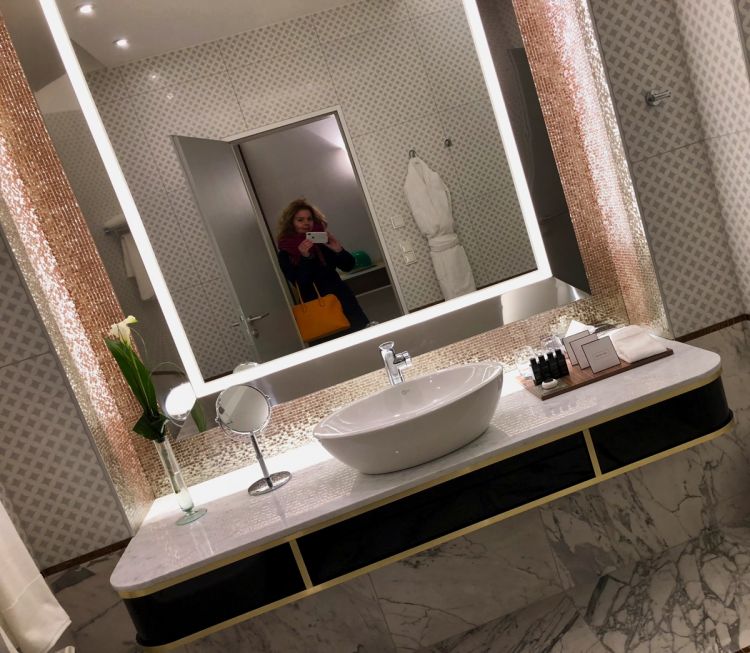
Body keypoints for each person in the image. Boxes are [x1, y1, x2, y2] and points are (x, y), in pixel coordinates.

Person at [276, 199, 369, 338]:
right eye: (300, 220)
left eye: (309, 219)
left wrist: (339, 250)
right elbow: (299, 284)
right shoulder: (285, 252)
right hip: (318, 309)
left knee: (362, 339)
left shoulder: (321, 241)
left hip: (344, 302)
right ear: (291, 223)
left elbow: (348, 266)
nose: (306, 223)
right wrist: (305, 258)